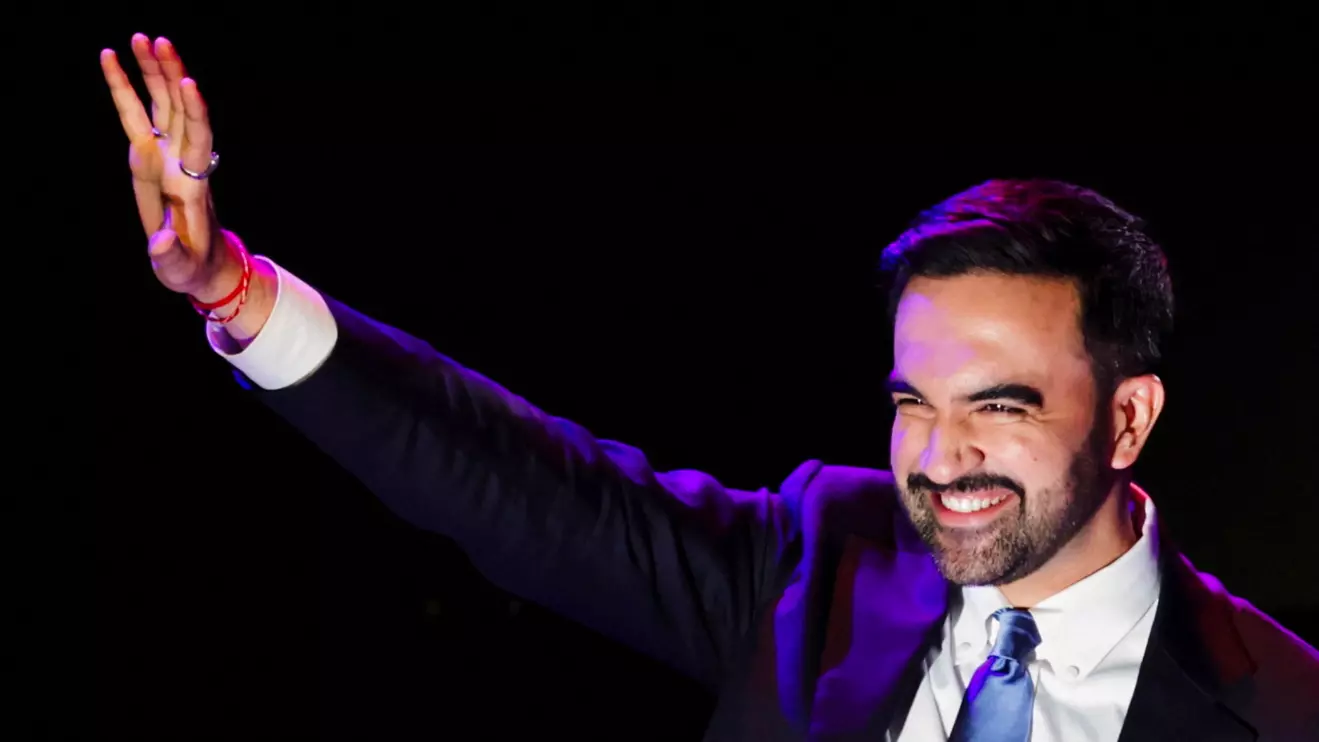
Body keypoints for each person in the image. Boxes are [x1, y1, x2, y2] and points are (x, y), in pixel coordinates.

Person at [101, 35, 1319, 742]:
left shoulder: (1284, 705)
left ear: (1126, 414)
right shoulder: (821, 555)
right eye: (910, 401)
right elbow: (517, 487)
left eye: (997, 405)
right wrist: (235, 293)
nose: (939, 460)